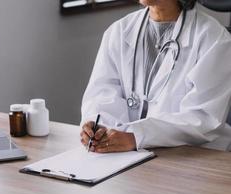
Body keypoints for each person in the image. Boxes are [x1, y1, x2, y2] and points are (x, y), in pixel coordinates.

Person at [80, 0, 231, 153]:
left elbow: (203, 119)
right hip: (124, 157)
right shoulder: (118, 31)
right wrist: (98, 128)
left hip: (191, 159)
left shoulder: (214, 39)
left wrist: (136, 136)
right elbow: (100, 96)